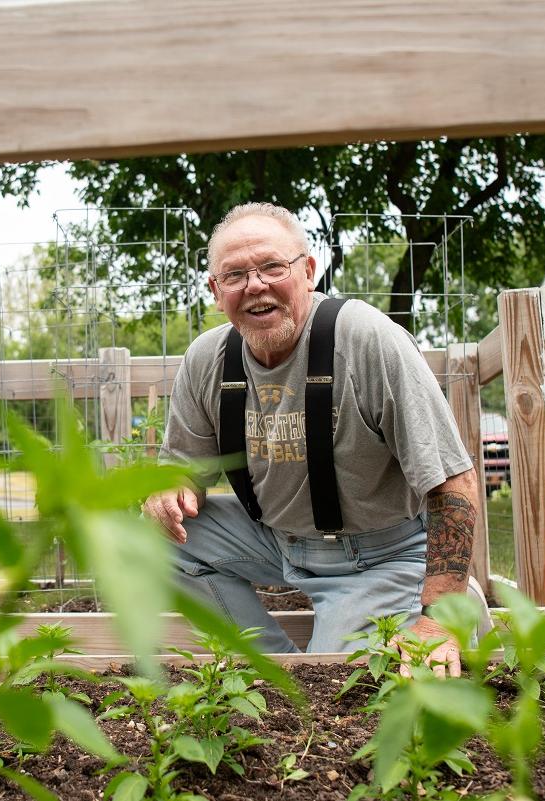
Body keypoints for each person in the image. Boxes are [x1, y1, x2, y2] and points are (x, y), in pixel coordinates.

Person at [143, 202, 484, 676]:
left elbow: (454, 484)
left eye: (272, 267)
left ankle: (442, 604)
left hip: (380, 556)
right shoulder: (208, 360)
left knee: (336, 684)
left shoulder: (365, 339)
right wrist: (170, 490)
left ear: (307, 272)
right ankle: (270, 670)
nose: (256, 285)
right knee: (152, 536)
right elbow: (183, 472)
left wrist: (440, 620)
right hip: (279, 541)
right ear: (216, 291)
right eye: (235, 275)